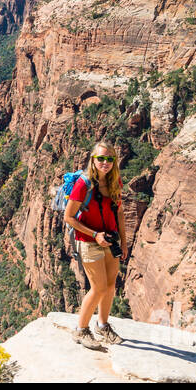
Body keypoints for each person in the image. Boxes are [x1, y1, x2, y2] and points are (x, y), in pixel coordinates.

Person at [63, 142, 126, 349]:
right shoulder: (84, 184)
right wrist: (95, 234)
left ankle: (103, 325)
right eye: (101, 158)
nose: (105, 163)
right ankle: (81, 330)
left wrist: (124, 242)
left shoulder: (115, 180)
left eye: (109, 159)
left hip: (110, 240)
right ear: (93, 159)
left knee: (109, 286)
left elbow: (119, 213)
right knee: (98, 288)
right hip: (88, 241)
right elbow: (69, 217)